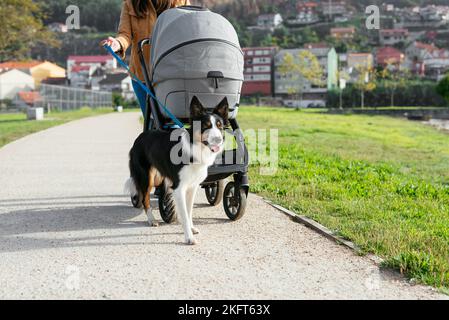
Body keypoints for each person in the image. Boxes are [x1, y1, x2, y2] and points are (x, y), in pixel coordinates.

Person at [101, 0, 190, 113]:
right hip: (142, 76)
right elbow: (125, 34)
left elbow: (189, 30)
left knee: (173, 122)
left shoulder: (181, 1)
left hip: (173, 74)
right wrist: (117, 43)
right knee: (152, 123)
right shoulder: (130, 3)